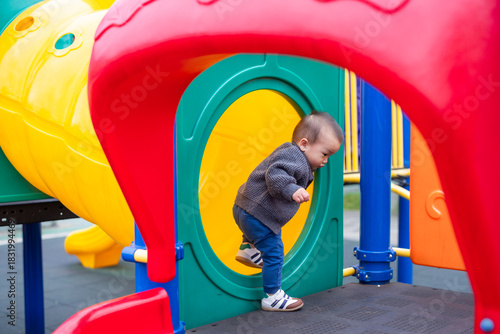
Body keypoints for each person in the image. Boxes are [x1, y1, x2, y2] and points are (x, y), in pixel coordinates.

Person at [233, 110, 343, 312]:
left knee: (262, 239)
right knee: (275, 253)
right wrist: (292, 189)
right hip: (257, 215)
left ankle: (248, 248)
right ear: (304, 144)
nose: (326, 160)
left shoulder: (294, 156)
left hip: (245, 209)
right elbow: (275, 175)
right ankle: (272, 297)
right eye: (325, 154)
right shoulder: (293, 155)